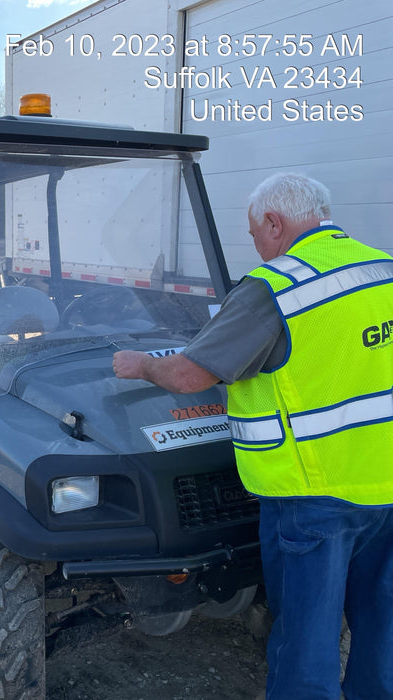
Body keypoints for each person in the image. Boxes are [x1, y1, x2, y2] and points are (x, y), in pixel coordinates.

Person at [112, 173, 393, 700]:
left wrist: (141, 365)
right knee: (381, 631)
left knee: (305, 648)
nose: (257, 246)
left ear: (274, 221)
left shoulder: (275, 287)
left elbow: (191, 376)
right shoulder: (382, 268)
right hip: (386, 487)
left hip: (314, 496)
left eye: (255, 233)